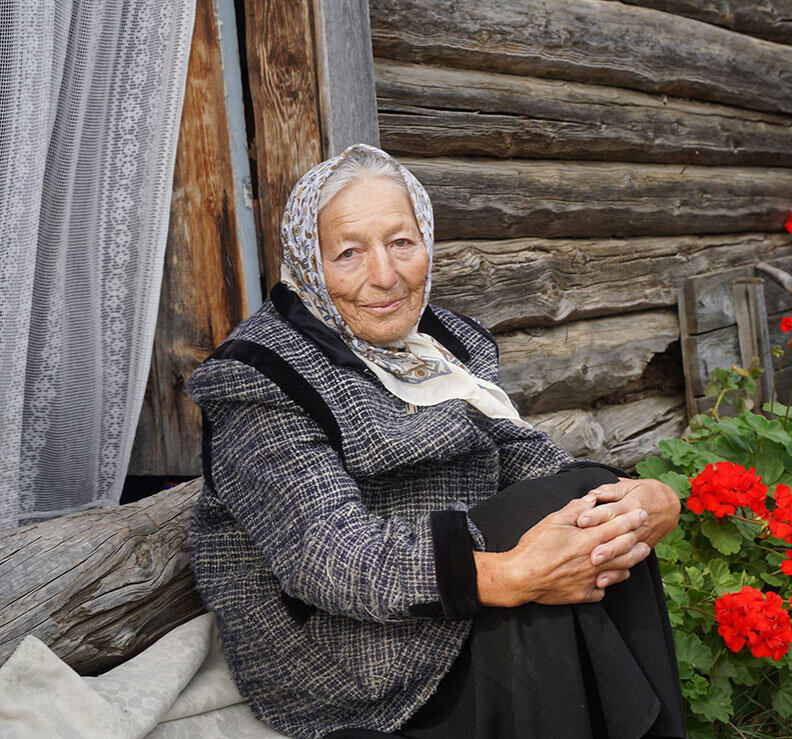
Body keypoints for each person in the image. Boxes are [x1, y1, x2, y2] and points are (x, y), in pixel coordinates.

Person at [186, 144, 685, 739]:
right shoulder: (259, 376)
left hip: (458, 586)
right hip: (346, 655)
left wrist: (640, 497)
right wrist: (509, 574)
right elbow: (332, 559)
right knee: (549, 553)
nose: (384, 275)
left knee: (594, 501)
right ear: (308, 262)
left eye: (401, 242)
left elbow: (524, 456)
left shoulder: (444, 342)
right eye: (349, 253)